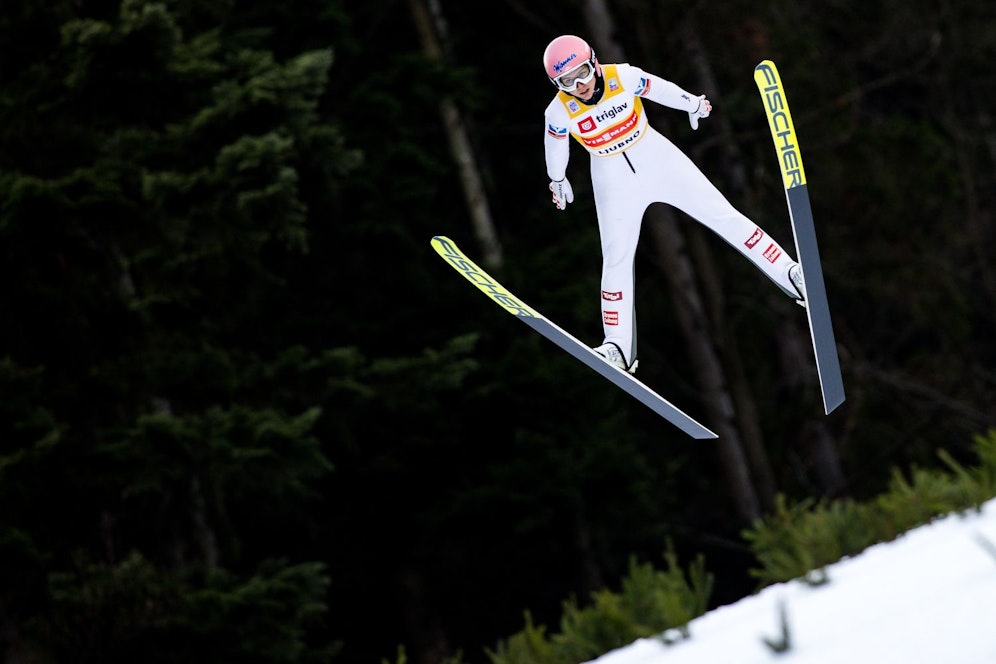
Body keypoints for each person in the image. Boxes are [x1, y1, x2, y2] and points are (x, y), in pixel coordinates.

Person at [542, 35, 806, 374]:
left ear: (593, 62)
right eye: (567, 81)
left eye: (581, 73)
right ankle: (618, 347)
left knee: (722, 214)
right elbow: (555, 145)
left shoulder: (621, 76)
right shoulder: (559, 110)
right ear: (557, 84)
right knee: (617, 256)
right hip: (611, 177)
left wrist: (691, 104)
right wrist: (558, 179)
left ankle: (790, 273)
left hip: (655, 156)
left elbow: (658, 89)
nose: (578, 85)